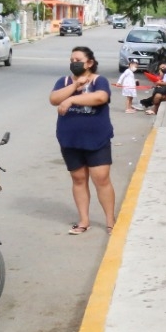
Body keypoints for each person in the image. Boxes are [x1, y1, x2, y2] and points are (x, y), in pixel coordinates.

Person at [49, 46, 117, 235]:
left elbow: (101, 98)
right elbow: (54, 99)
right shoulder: (63, 81)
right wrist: (74, 87)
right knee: (78, 179)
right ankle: (83, 221)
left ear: (90, 63)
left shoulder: (99, 81)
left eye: (78, 59)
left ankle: (110, 221)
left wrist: (72, 100)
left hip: (97, 139)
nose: (74, 63)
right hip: (70, 140)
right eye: (71, 60)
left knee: (101, 179)